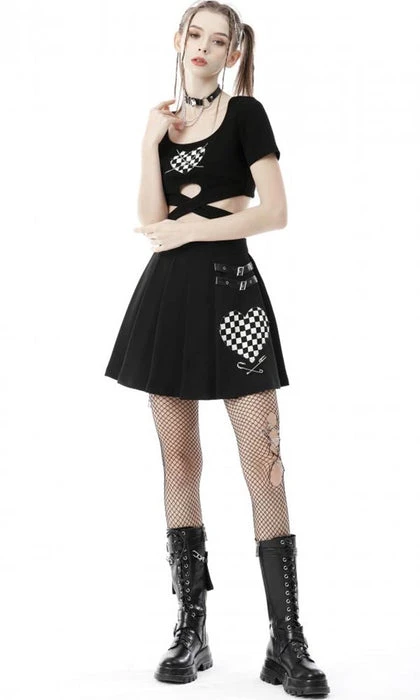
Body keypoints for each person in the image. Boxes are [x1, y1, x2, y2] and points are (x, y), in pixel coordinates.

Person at [104, 1, 330, 695]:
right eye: (195, 34)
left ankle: (286, 640)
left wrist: (192, 226)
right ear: (178, 40)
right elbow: (151, 222)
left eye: (218, 39)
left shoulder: (246, 114)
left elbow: (275, 212)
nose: (203, 46)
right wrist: (149, 143)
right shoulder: (164, 124)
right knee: (179, 461)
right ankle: (191, 629)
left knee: (265, 463)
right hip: (168, 302)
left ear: (233, 52)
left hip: (234, 297)